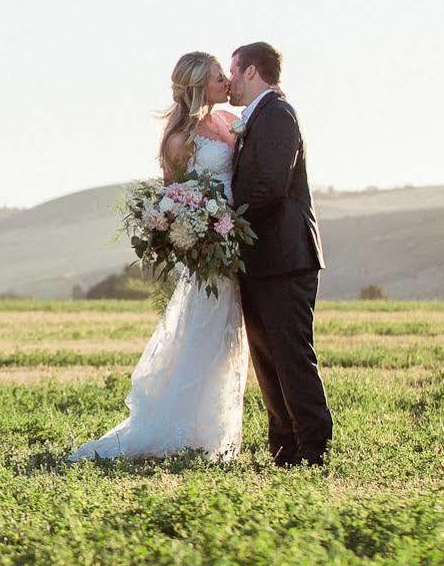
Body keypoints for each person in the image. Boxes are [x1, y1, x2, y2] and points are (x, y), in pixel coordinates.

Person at [68, 52, 247, 463]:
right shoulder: (180, 138)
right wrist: (198, 234)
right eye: (220, 77)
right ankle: (182, 431)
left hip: (232, 242)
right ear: (202, 84)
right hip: (208, 251)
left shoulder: (224, 122)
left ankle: (212, 434)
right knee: (205, 335)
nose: (227, 82)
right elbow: (173, 197)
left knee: (226, 341)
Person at [226, 41, 331, 466]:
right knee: (267, 357)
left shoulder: (278, 115)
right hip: (263, 260)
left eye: (233, 72)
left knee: (291, 354)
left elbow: (270, 185)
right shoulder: (256, 119)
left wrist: (224, 218)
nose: (229, 82)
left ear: (252, 71)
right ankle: (285, 447)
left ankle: (313, 446)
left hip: (287, 259)